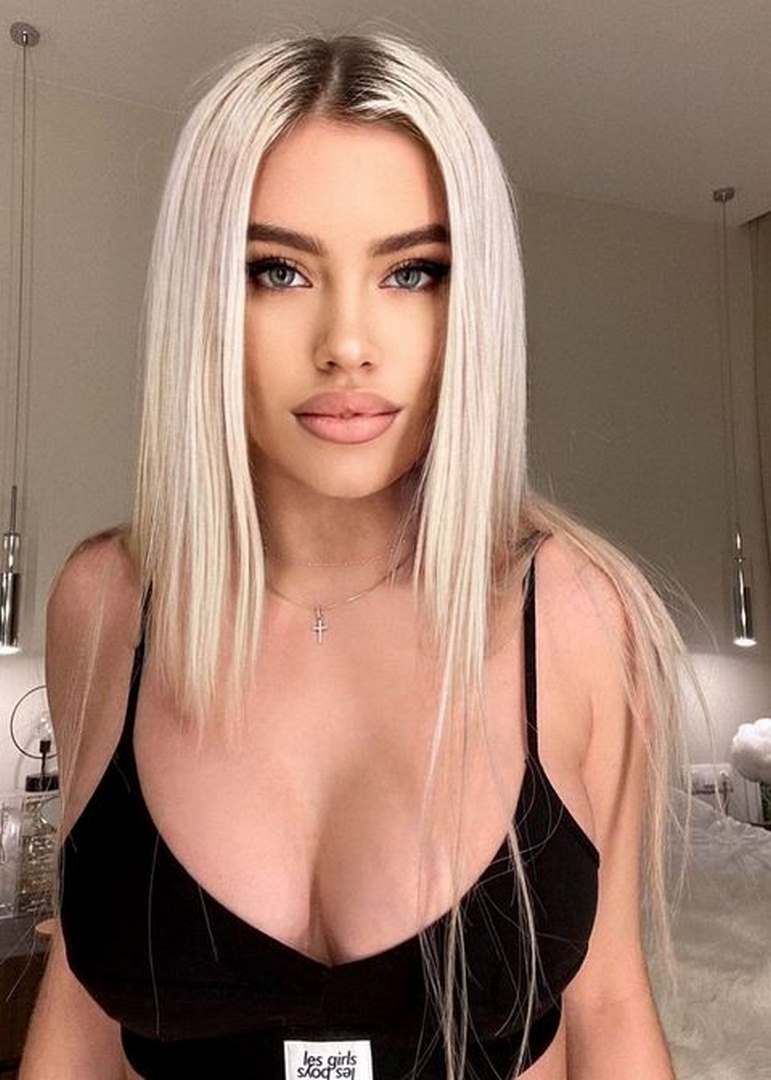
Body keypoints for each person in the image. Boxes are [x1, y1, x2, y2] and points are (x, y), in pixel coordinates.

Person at [21, 27, 712, 1080]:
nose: (347, 342)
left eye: (412, 272)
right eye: (278, 270)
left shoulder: (579, 615)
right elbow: (79, 1001)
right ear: (202, 298)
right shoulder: (106, 602)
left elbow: (610, 1006)